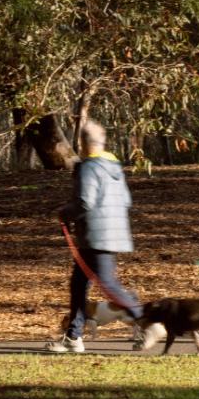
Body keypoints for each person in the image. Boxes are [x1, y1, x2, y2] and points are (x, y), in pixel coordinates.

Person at [47, 120, 144, 353]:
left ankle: (148, 320)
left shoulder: (89, 167)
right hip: (111, 233)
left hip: (96, 235)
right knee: (78, 284)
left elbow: (86, 202)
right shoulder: (114, 166)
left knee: (108, 285)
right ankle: (73, 337)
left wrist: (63, 214)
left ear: (81, 143)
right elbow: (127, 201)